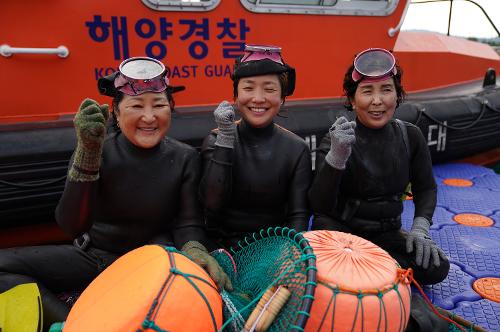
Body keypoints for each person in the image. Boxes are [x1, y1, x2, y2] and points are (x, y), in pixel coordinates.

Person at [0, 56, 229, 330]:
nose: (148, 116)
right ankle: (72, 324)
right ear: (117, 114)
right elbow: (72, 225)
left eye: (159, 105)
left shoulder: (184, 157)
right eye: (135, 106)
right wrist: (87, 155)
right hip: (97, 256)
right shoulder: (96, 149)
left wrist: (194, 248)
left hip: (152, 262)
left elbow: (187, 222)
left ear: (170, 109)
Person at [309, 48, 449, 285]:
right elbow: (319, 205)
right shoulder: (336, 139)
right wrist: (337, 157)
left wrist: (420, 229)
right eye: (367, 91)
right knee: (324, 263)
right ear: (352, 101)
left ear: (397, 95)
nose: (377, 101)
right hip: (342, 234)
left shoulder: (410, 136)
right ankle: (382, 269)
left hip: (388, 234)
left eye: (386, 90)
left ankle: (375, 268)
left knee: (437, 267)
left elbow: (426, 188)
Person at [199, 45, 312, 249]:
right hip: (222, 248)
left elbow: (298, 216)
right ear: (235, 95)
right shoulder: (215, 139)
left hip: (274, 249)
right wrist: (225, 139)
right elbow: (211, 207)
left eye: (269, 89)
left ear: (282, 97)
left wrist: (291, 254)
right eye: (248, 88)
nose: (258, 98)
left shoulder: (296, 149)